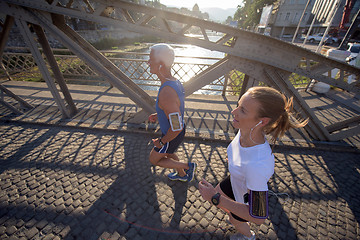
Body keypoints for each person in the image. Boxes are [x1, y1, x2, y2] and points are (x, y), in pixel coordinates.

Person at [198, 86, 308, 240]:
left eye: (242, 110)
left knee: (232, 218)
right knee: (222, 202)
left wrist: (216, 197)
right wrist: (234, 160)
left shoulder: (257, 165)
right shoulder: (246, 132)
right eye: (238, 105)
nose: (233, 112)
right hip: (236, 180)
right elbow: (243, 154)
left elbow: (258, 217)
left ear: (262, 121)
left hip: (244, 194)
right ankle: (236, 216)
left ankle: (248, 235)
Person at [148, 43, 196, 182]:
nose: (148, 62)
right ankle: (182, 175)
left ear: (161, 64)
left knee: (154, 159)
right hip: (175, 130)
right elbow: (175, 107)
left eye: (151, 59)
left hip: (172, 133)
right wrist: (159, 114)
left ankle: (188, 167)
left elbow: (176, 127)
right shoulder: (174, 81)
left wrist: (161, 142)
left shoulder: (166, 92)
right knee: (169, 153)